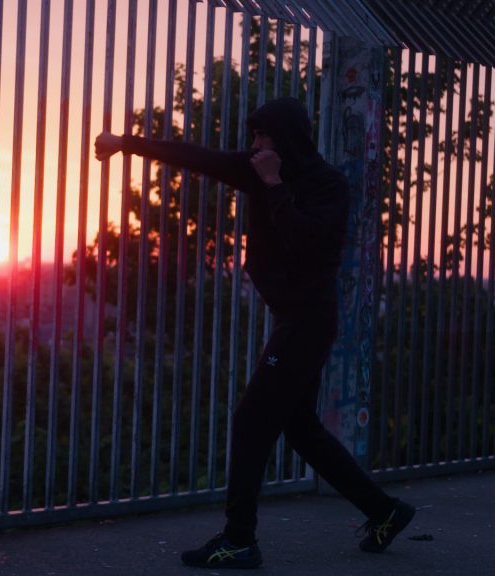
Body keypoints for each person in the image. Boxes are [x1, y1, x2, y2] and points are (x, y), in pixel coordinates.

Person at [94, 97, 414, 569]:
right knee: (301, 430)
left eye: (264, 136)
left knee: (250, 421)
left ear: (286, 139)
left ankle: (239, 538)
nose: (256, 145)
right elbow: (197, 156)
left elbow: (305, 240)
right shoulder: (255, 170)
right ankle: (385, 511)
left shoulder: (328, 187)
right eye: (254, 136)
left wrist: (274, 185)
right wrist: (126, 143)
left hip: (308, 322)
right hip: (294, 319)